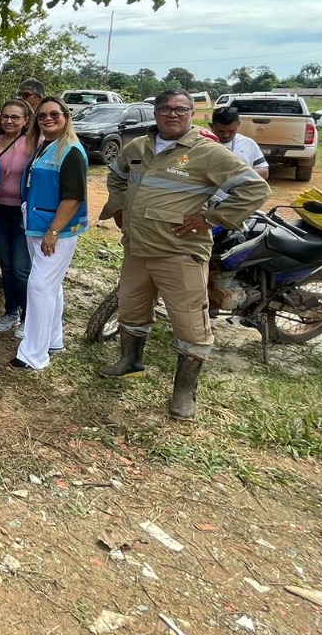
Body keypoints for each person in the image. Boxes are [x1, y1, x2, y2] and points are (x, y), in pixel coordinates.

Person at [99, 89, 270, 419]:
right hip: (137, 249)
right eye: (165, 108)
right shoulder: (137, 147)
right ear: (156, 112)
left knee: (190, 324)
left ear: (192, 113)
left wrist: (211, 218)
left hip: (179, 253)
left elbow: (255, 188)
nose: (172, 114)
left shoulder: (207, 152)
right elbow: (117, 176)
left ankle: (183, 394)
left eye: (180, 109)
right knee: (131, 309)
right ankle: (130, 361)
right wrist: (120, 208)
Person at [9, 97, 89, 373]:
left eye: (54, 114)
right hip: (37, 224)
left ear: (66, 116)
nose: (47, 119)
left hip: (56, 231)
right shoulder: (46, 145)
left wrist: (54, 231)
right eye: (42, 115)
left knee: (39, 286)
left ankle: (33, 354)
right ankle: (53, 340)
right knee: (51, 286)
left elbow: (73, 197)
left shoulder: (72, 151)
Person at [0, 99, 34, 338]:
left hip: (21, 212)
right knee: (6, 266)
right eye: (6, 116)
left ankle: (29, 316)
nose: (9, 121)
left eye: (15, 117)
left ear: (26, 120)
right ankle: (10, 311)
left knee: (20, 268)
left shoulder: (32, 144)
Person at [210, 107, 269, 204]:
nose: (226, 135)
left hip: (240, 201)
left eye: (231, 131)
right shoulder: (201, 143)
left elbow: (263, 171)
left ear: (239, 124)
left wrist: (235, 178)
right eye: (220, 131)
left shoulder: (248, 144)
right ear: (211, 126)